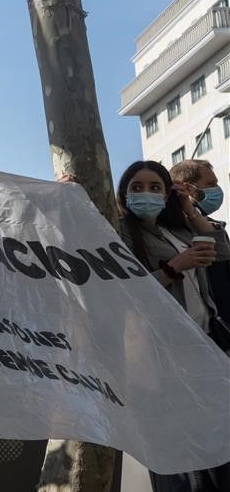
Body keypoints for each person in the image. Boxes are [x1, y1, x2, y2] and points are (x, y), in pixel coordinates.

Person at [116, 159, 228, 491]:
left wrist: (189, 210)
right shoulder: (119, 234)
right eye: (137, 187)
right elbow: (123, 295)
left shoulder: (179, 229)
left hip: (204, 346)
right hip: (161, 358)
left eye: (155, 187)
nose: (146, 194)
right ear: (124, 193)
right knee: (181, 459)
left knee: (218, 444)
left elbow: (221, 251)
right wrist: (173, 268)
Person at [170, 159, 230, 352]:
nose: (218, 189)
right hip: (201, 336)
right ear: (189, 189)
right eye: (211, 184)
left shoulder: (212, 225)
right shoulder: (175, 229)